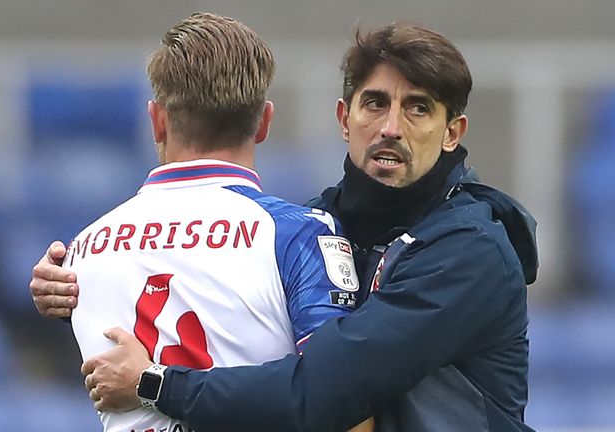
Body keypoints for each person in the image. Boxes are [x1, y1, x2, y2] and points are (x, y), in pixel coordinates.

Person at [31, 22, 538, 431]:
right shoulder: (310, 227)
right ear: (344, 118)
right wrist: (73, 287)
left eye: (418, 109)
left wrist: (155, 384)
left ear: (452, 133)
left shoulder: (470, 250)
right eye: (375, 103)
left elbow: (331, 391)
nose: (390, 127)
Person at [51, 12, 371, 432]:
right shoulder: (300, 235)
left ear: (157, 120)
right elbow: (343, 405)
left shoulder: (79, 254)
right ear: (264, 122)